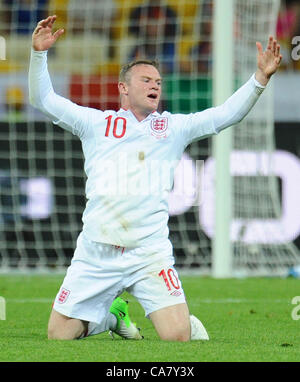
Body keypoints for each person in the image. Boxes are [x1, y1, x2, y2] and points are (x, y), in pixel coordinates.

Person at [29, 15, 282, 341]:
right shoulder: (95, 124)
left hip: (149, 253)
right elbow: (43, 100)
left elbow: (223, 115)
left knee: (177, 338)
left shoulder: (171, 128)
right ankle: (111, 318)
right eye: (146, 80)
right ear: (123, 87)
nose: (155, 86)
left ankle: (181, 322)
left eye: (159, 82)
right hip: (96, 252)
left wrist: (259, 79)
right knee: (58, 336)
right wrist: (38, 55)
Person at [127, 0, 178, 73]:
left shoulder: (171, 46)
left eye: (157, 20)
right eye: (150, 20)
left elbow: (172, 66)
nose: (153, 25)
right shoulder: (137, 46)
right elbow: (128, 67)